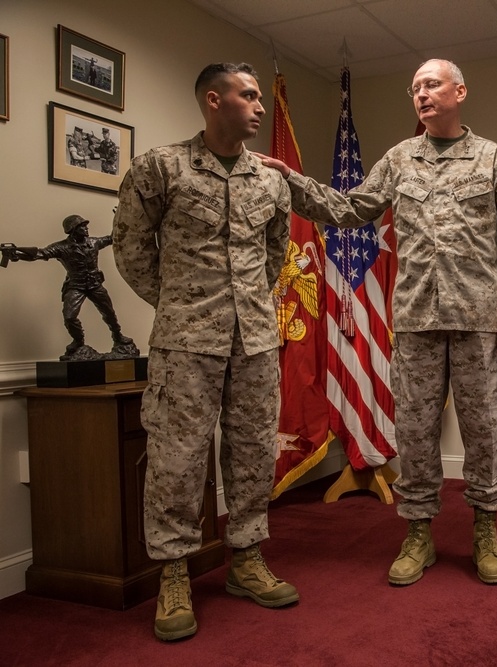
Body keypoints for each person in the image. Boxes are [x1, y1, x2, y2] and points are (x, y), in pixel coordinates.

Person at [258, 59, 497, 586]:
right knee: (414, 431)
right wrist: (291, 181)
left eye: (431, 85)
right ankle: (418, 534)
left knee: (484, 432)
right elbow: (349, 208)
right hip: (415, 320)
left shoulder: (492, 158)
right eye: (415, 88)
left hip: (480, 319)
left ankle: (484, 530)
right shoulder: (399, 159)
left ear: (460, 90)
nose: (422, 94)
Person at [112, 62, 297, 642]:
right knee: (177, 459)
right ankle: (173, 574)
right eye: (249, 96)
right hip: (185, 344)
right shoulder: (160, 168)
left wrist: (249, 308)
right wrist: (179, 306)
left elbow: (275, 253)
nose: (259, 106)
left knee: (250, 453)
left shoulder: (270, 180)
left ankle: (246, 559)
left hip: (256, 342)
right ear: (214, 101)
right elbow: (131, 250)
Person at [10, 214, 136, 360]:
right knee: (69, 317)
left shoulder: (93, 242)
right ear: (73, 229)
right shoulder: (61, 247)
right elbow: (40, 253)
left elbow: (112, 238)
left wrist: (120, 218)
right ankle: (78, 341)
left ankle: (118, 336)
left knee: (109, 312)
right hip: (76, 285)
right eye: (82, 226)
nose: (86, 228)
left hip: (95, 284)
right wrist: (18, 254)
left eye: (85, 225)